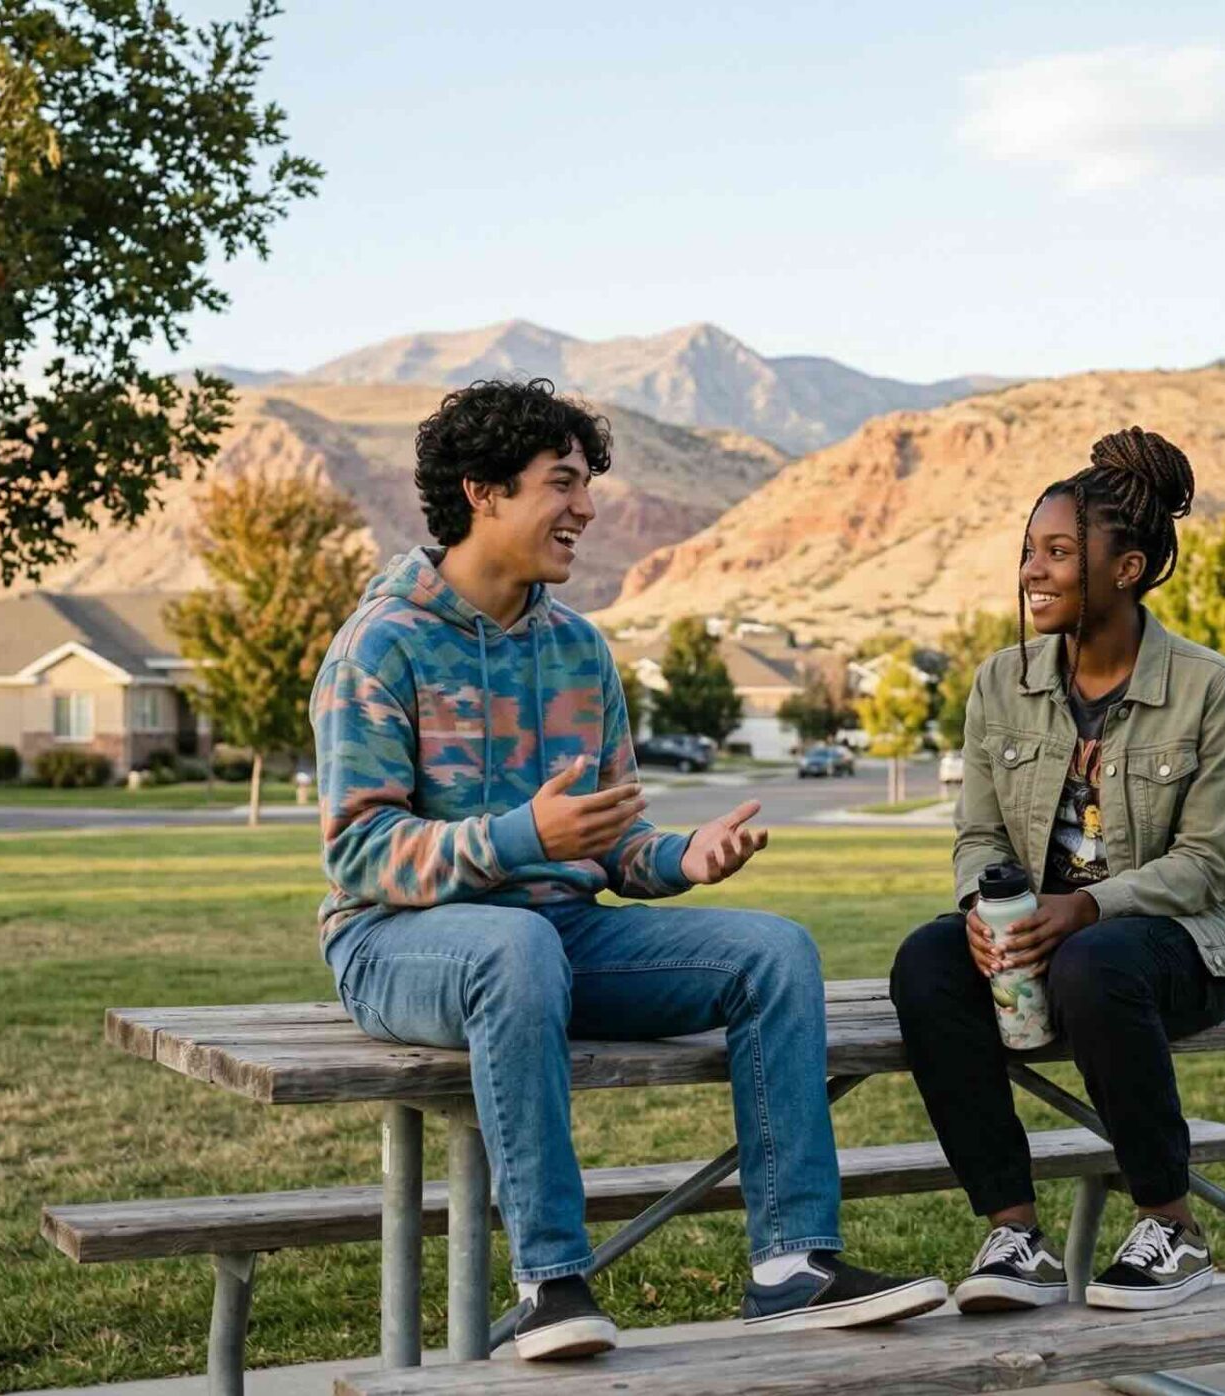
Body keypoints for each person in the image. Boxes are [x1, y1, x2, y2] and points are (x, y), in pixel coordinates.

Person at [312, 379, 946, 1361]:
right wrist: (522, 836)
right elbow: (359, 851)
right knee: (515, 945)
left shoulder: (576, 648)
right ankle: (553, 1281)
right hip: (400, 941)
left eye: (586, 484)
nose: (586, 509)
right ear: (482, 492)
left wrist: (678, 858)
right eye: (560, 483)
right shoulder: (379, 647)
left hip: (555, 939)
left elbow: (606, 840)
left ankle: (791, 1264)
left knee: (774, 949)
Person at [889, 427, 1225, 1315]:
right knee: (926, 962)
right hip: (1038, 941)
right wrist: (986, 908)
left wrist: (1086, 909)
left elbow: (1204, 866)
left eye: (1060, 552)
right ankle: (1016, 1235)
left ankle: (1172, 1226)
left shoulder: (1210, 688)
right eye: (1029, 551)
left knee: (1099, 962)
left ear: (1126, 569)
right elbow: (977, 834)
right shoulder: (999, 684)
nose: (1033, 571)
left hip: (1176, 948)